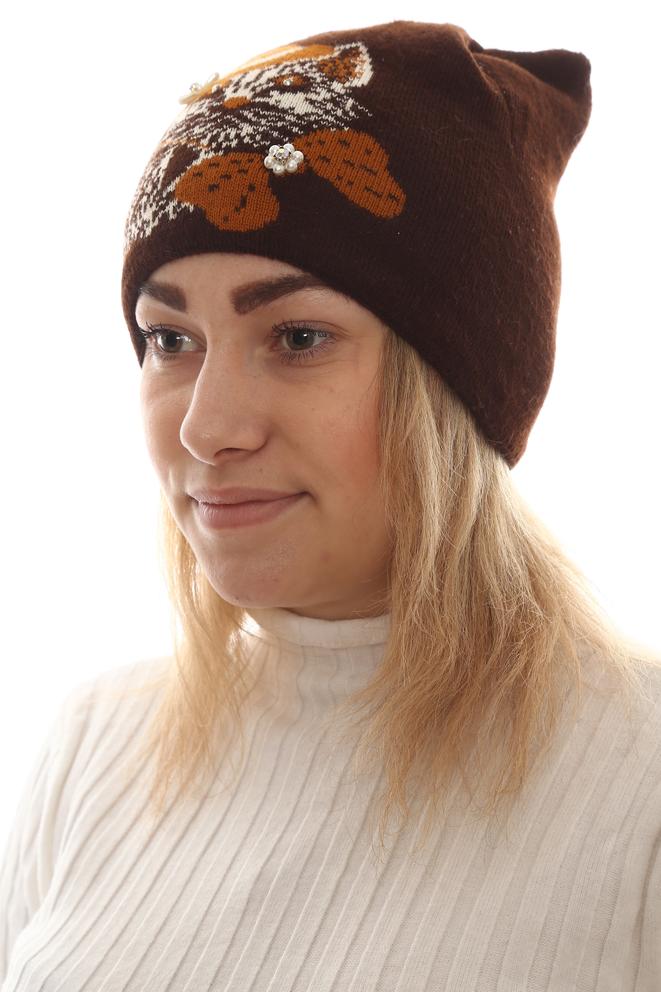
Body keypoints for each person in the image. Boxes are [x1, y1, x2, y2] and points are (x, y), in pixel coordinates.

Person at [1, 18, 660, 992]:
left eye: (298, 337)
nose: (206, 428)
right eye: (170, 340)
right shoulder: (94, 744)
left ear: (455, 394)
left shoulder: (639, 786)